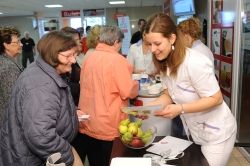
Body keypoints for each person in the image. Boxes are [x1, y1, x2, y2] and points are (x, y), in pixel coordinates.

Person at [144, 13, 237, 166]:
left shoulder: (195, 62)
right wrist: (146, 110)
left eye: (157, 43)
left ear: (172, 38)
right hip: (195, 131)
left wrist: (180, 108)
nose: (152, 49)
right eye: (149, 44)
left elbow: (216, 98)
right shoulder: (165, 62)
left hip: (216, 134)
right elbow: (169, 94)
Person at [0, 31, 83, 166]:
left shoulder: (47, 70)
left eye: (74, 55)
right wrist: (68, 156)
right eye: (68, 56)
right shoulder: (41, 85)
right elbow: (41, 136)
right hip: (29, 159)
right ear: (52, 55)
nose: (73, 60)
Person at [73, 25, 139, 166]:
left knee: (95, 161)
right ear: (116, 42)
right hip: (109, 124)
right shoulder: (118, 60)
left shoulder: (89, 58)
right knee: (110, 160)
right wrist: (136, 85)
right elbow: (127, 91)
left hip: (88, 121)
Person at [0, 26, 23, 126]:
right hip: (11, 122)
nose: (21, 44)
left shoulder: (7, 61)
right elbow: (13, 99)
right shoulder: (8, 67)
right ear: (6, 45)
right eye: (17, 42)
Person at [60, 26, 82, 106]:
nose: (80, 42)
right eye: (76, 40)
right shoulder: (61, 62)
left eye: (79, 40)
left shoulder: (73, 59)